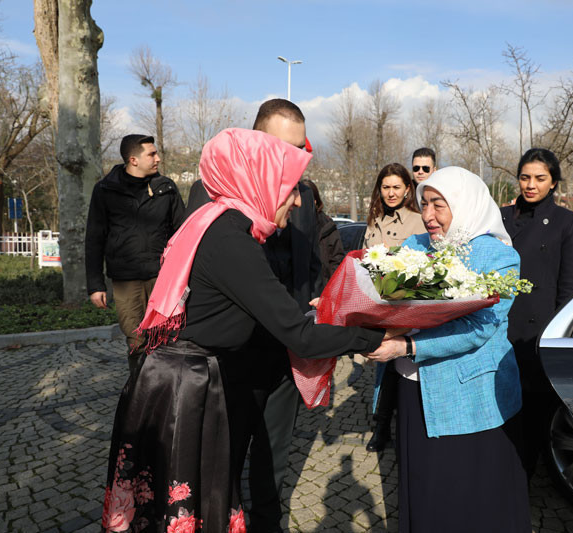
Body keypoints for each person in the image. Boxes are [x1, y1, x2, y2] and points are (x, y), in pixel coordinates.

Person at [101, 129, 390, 533]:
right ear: (260, 183)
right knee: (187, 511)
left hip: (177, 380)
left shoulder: (217, 223)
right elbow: (300, 338)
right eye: (290, 189)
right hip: (186, 390)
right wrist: (378, 337)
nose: (297, 201)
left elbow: (258, 315)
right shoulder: (231, 240)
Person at [367, 166, 531, 532]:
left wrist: (405, 345)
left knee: (468, 493)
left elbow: (479, 328)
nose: (428, 215)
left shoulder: (498, 256)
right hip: (413, 389)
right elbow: (382, 297)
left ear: (464, 203)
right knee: (424, 487)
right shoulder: (415, 246)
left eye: (438, 205)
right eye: (424, 204)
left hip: (470, 396)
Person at [184, 99, 322, 533]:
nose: (293, 158)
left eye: (300, 148)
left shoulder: (304, 195)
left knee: (274, 457)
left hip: (286, 350)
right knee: (223, 456)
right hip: (234, 355)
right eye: (285, 147)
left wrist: (315, 303)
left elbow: (312, 260)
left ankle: (267, 524)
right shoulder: (211, 190)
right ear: (257, 139)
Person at [500, 148, 573, 478]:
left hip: (536, 332)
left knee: (531, 415)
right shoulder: (501, 217)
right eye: (525, 177)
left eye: (539, 178)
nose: (531, 185)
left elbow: (569, 288)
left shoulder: (568, 222)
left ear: (553, 182)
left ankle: (523, 479)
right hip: (498, 326)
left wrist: (555, 337)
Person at [85, 134, 185, 372]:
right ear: (133, 160)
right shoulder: (105, 190)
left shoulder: (166, 188)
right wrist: (95, 285)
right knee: (136, 340)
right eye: (152, 154)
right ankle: (139, 389)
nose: (158, 158)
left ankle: (166, 388)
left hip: (162, 278)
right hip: (126, 281)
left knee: (167, 338)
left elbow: (183, 233)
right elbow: (94, 239)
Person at [362, 162, 424, 452]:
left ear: (407, 189)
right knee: (382, 369)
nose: (390, 193)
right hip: (378, 305)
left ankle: (401, 428)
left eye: (396, 187)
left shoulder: (418, 221)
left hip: (407, 306)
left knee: (401, 366)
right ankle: (382, 427)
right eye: (385, 187)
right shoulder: (374, 219)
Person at [302, 178, 346, 285]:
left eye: (305, 200)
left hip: (324, 287)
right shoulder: (289, 225)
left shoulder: (327, 226)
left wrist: (331, 287)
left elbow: (337, 259)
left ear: (315, 201)